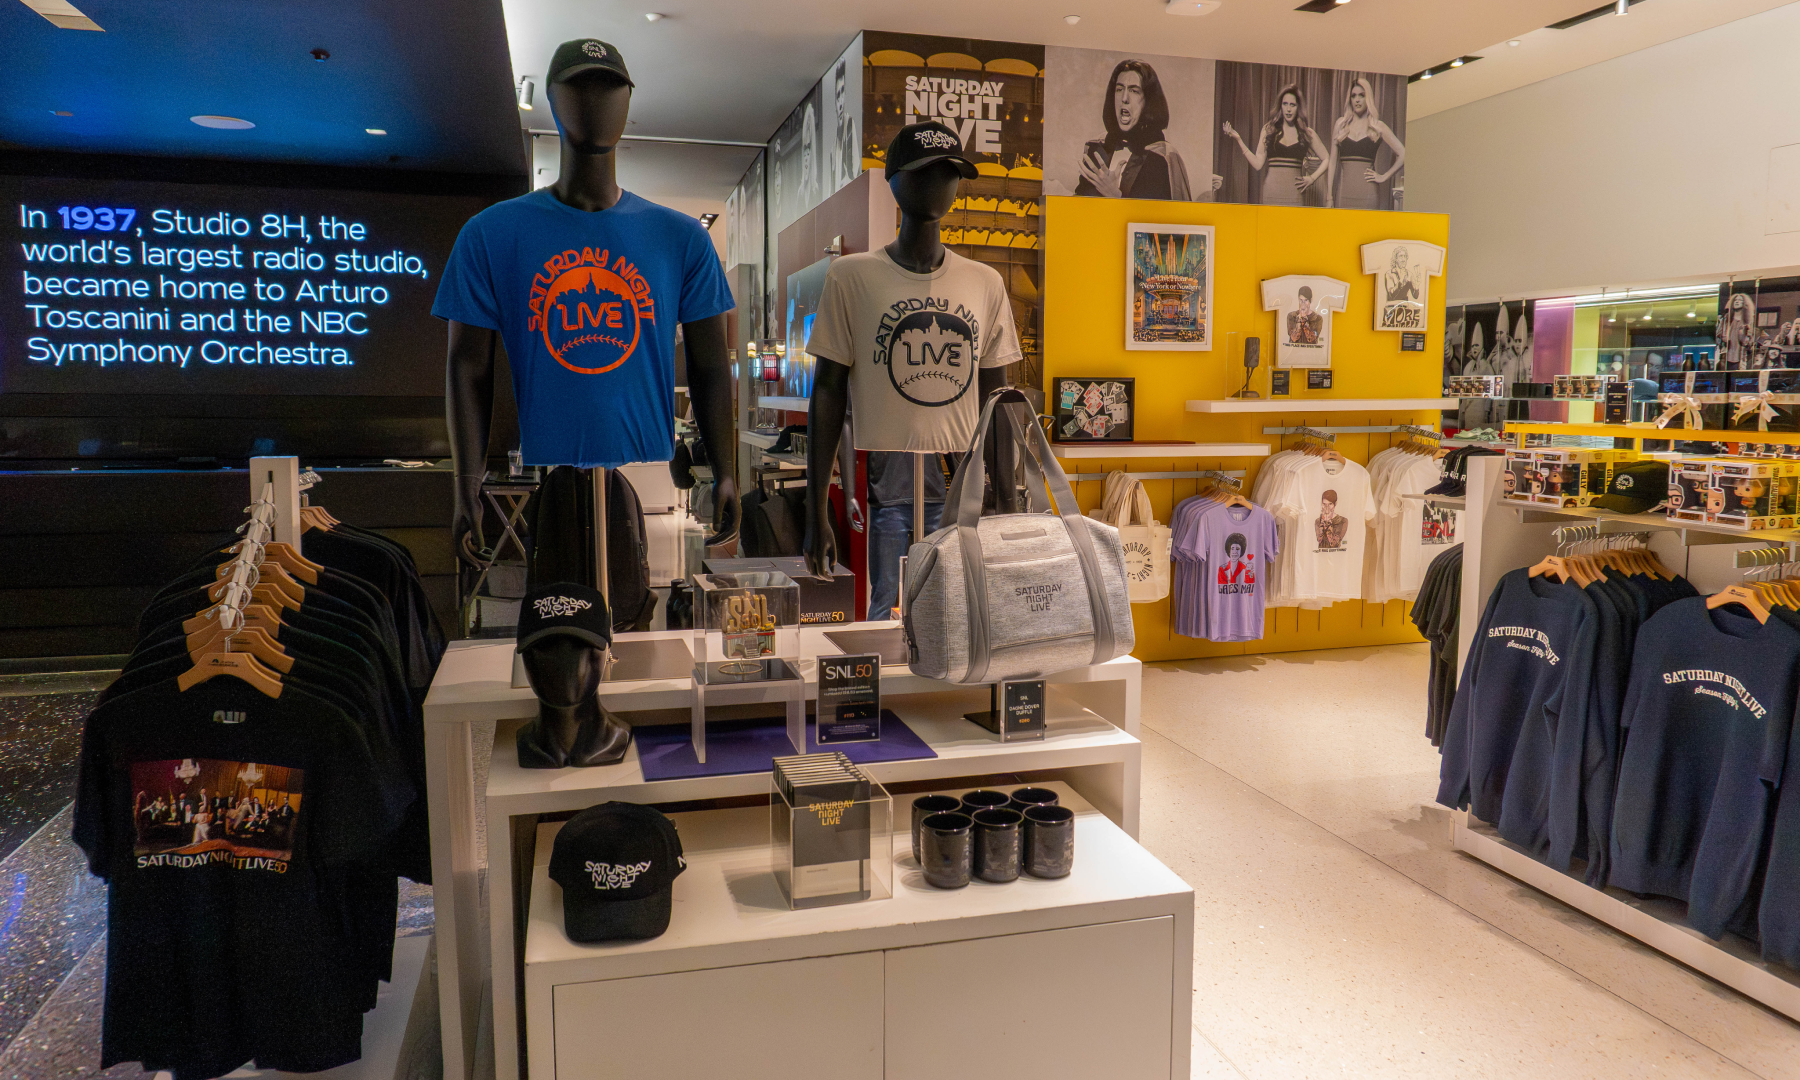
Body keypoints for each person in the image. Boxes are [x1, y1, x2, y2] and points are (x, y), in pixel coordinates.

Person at [1077, 59, 1192, 200]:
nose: (1124, 98)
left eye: (1134, 91)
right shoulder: (1096, 147)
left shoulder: (1164, 157)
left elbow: (1171, 218)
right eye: (1119, 89)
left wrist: (1116, 197)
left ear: (1148, 100)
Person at [865, 451, 946, 620]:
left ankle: (935, 644)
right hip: (888, 496)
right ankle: (875, 646)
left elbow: (950, 437)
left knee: (938, 589)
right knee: (885, 592)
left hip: (931, 494)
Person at [1222, 84, 1328, 207]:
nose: (1288, 109)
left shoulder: (1306, 133)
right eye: (1285, 104)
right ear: (1280, 106)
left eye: (1292, 105)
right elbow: (1257, 164)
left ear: (1298, 107)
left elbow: (1326, 158)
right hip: (1271, 194)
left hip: (1295, 196)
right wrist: (1239, 139)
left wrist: (1312, 178)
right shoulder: (1269, 130)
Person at [1329, 77, 1404, 210]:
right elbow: (1332, 162)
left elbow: (1403, 153)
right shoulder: (1341, 124)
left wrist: (1384, 176)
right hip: (1343, 194)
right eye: (1353, 96)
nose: (1357, 100)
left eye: (1361, 95)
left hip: (1369, 195)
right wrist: (1329, 196)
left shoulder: (1377, 126)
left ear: (1367, 98)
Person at [832, 60, 858, 189]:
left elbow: (855, 172)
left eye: (842, 92)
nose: (841, 100)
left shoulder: (850, 126)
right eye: (838, 95)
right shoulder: (834, 142)